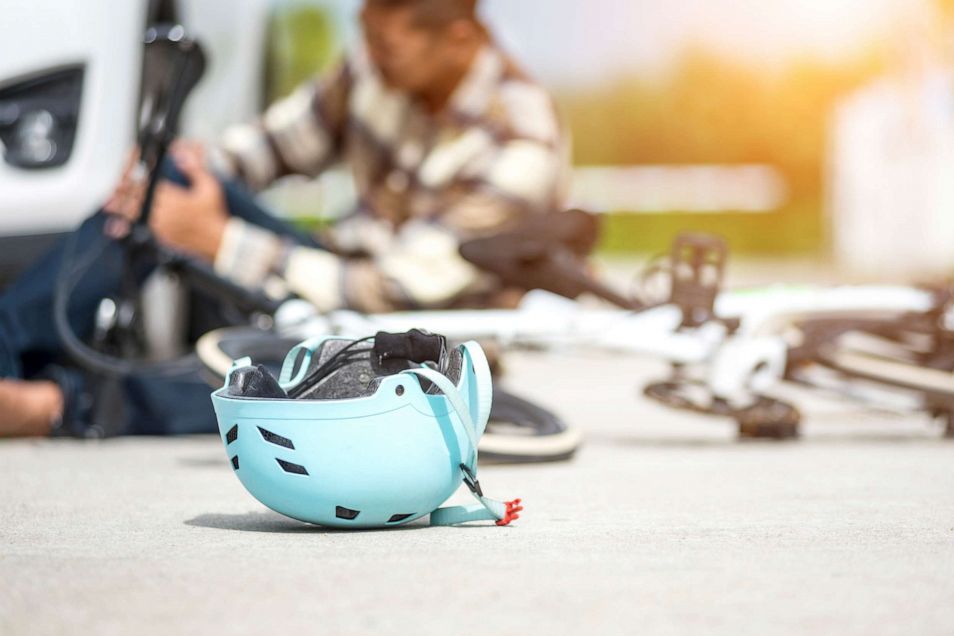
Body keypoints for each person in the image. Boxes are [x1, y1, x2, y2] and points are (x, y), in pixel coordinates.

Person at [0, 0, 569, 438]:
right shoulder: (378, 64)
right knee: (167, 182)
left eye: (386, 46)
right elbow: (271, 145)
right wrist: (188, 167)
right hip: (331, 270)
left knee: (312, 384)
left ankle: (54, 407)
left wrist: (221, 241)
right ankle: (4, 344)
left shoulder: (520, 141)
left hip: (422, 332)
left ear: (459, 38)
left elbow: (394, 290)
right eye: (365, 35)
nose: (369, 55)